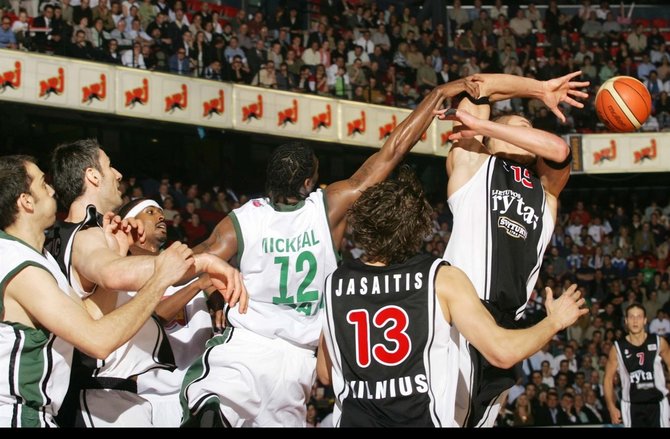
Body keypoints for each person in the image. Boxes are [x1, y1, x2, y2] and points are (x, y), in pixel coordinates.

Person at [181, 78, 480, 427]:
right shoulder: (328, 206)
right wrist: (437, 94)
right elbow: (394, 149)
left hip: (246, 346)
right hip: (298, 363)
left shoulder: (241, 222)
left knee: (205, 401)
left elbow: (184, 262)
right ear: (308, 184)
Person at [315, 166, 587, 427]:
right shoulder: (440, 278)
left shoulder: (333, 284)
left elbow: (326, 374)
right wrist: (554, 322)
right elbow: (502, 353)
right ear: (417, 230)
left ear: (362, 224)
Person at [47, 140, 246, 427]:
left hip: (102, 396)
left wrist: (122, 243)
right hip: (101, 399)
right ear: (92, 176)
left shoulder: (64, 235)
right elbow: (112, 273)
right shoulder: (85, 235)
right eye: (109, 166)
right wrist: (203, 263)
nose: (117, 174)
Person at [434, 71, 590, 427]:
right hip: (461, 315)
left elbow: (560, 150)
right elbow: (477, 86)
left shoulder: (546, 191)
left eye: (530, 129)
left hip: (509, 325)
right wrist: (538, 89)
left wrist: (490, 126)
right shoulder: (474, 162)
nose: (529, 132)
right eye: (520, 125)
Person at [0, 155, 198, 427]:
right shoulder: (18, 263)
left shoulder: (39, 258)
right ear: (26, 201)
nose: (52, 189)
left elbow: (89, 318)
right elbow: (98, 340)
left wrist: (116, 252)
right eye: (43, 184)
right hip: (16, 413)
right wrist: (160, 278)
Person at [118, 198, 215, 427]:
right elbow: (151, 319)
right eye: (150, 212)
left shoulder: (184, 263)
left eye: (161, 212)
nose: (161, 217)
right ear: (131, 224)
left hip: (201, 389)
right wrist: (198, 285)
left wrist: (216, 296)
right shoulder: (121, 277)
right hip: (155, 397)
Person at [604, 303, 670, 427]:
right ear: (626, 321)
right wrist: (611, 407)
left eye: (639, 317)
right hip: (631, 405)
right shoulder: (617, 348)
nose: (635, 320)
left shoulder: (659, 342)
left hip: (657, 403)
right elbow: (608, 379)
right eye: (631, 317)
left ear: (645, 320)